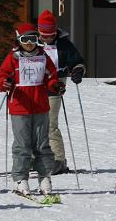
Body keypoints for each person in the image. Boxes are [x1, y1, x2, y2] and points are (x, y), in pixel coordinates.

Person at [0, 22, 62, 196]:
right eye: (25, 39)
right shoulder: (13, 57)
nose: (29, 43)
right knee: (22, 144)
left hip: (40, 106)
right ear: (19, 40)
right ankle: (20, 179)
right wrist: (6, 83)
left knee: (42, 144)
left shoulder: (43, 56)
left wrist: (55, 85)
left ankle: (44, 176)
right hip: (20, 107)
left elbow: (51, 76)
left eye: (33, 39)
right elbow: (2, 77)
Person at [36, 10, 86, 175]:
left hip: (56, 85)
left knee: (50, 123)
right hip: (34, 87)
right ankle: (34, 158)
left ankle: (58, 160)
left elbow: (77, 61)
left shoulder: (64, 44)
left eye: (50, 35)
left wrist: (78, 70)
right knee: (33, 123)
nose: (47, 39)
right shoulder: (32, 43)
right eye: (44, 36)